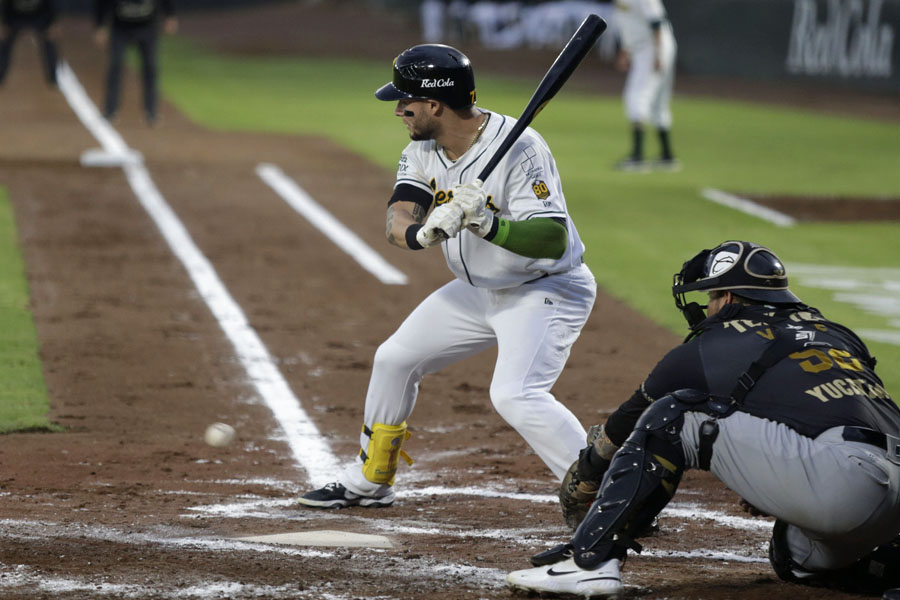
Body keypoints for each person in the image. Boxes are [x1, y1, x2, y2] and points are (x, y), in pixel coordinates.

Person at [507, 240, 900, 599]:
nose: (707, 306)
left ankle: (590, 562)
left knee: (679, 415)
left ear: (727, 297)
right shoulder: (837, 335)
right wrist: (771, 480)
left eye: (711, 295)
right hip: (879, 493)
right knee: (794, 556)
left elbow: (631, 417)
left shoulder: (716, 342)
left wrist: (590, 467)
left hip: (843, 485)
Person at [298, 44, 597, 510]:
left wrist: (487, 224)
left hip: (544, 289)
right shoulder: (421, 151)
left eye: (406, 102)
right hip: (477, 292)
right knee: (395, 358)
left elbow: (552, 240)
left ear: (434, 104)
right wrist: (424, 233)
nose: (398, 110)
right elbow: (398, 219)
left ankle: (613, 492)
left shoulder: (521, 148)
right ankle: (371, 479)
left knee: (515, 394)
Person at [611, 0, 678, 172]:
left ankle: (638, 156)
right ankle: (667, 156)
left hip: (654, 46)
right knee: (657, 103)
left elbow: (656, 22)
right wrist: (626, 49)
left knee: (636, 96)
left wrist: (659, 54)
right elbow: (627, 22)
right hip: (644, 47)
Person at [93, 0, 177, 125]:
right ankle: (110, 111)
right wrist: (100, 25)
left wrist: (170, 15)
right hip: (120, 28)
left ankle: (151, 112)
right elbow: (102, 3)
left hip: (147, 27)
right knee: (115, 66)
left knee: (150, 67)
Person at [0, 0, 59, 86]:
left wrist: (52, 23)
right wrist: (3, 24)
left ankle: (53, 77)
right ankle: (1, 74)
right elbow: (5, 4)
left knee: (50, 41)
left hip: (38, 15)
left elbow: (51, 3)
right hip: (15, 16)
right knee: (4, 42)